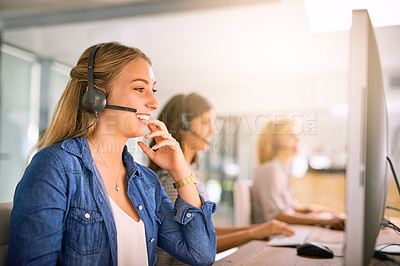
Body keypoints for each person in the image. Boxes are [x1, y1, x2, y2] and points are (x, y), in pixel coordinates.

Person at [7, 42, 216, 266]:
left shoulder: (146, 183)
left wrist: (180, 169)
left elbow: (201, 254)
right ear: (96, 96)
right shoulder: (54, 167)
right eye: (139, 89)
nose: (154, 103)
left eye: (153, 90)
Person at [149, 93, 295, 265]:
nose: (213, 130)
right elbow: (195, 244)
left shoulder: (191, 173)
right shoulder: (172, 180)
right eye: (205, 122)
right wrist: (253, 233)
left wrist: (259, 229)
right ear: (183, 125)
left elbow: (203, 230)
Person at [251, 118, 345, 230]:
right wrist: (320, 220)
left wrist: (315, 209)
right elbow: (276, 215)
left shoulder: (280, 169)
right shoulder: (270, 169)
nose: (297, 139)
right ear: (275, 143)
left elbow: (288, 206)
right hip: (270, 237)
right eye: (291, 135)